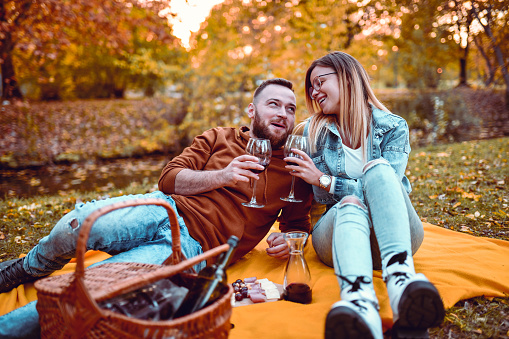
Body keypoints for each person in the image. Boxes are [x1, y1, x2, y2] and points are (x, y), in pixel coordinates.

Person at [0, 78, 313, 338]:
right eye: (273, 104)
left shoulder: (293, 168)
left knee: (94, 291)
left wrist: (290, 240)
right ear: (251, 109)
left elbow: (297, 224)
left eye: (290, 108)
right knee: (77, 224)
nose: (283, 113)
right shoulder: (218, 137)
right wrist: (223, 175)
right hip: (163, 208)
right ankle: (25, 269)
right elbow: (169, 179)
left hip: (195, 247)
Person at [285, 52, 445, 338]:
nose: (314, 91)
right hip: (338, 236)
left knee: (380, 170)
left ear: (347, 77)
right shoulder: (310, 132)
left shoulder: (393, 127)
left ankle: (401, 282)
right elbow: (296, 195)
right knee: (350, 202)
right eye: (311, 86)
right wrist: (290, 231)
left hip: (394, 234)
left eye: (320, 81)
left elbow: (387, 193)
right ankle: (360, 304)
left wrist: (324, 180)